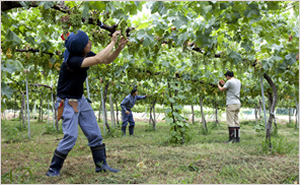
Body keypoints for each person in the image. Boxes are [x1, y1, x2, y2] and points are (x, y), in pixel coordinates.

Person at [46, 30, 128, 177]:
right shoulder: (72, 60)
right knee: (70, 136)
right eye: (87, 42)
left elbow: (105, 60)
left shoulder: (83, 54)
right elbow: (97, 59)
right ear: (80, 47)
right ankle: (53, 169)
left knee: (95, 133)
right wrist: (113, 41)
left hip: (80, 99)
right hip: (67, 101)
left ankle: (101, 166)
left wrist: (119, 48)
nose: (90, 43)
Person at [217, 70, 241, 143]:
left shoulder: (229, 82)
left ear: (227, 76)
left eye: (225, 76)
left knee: (230, 121)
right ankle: (237, 139)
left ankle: (231, 139)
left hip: (231, 104)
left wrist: (218, 84)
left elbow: (221, 90)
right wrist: (224, 84)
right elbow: (231, 88)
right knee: (236, 121)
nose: (225, 77)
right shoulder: (238, 81)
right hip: (237, 103)